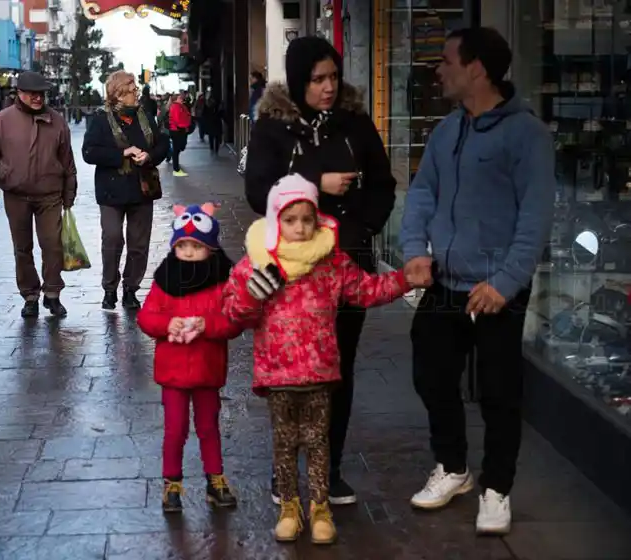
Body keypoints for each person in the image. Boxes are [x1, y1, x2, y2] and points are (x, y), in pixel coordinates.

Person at [399, 27, 555, 535]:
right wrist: (415, 253)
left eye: (446, 61)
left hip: (496, 289)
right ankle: (454, 467)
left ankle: (496, 488)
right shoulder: (447, 131)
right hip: (446, 282)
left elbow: (535, 217)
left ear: (477, 69)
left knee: (498, 391)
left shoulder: (526, 134)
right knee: (430, 374)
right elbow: (422, 195)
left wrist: (506, 282)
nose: (438, 70)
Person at [244, 36, 397, 506]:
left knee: (337, 369)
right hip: (292, 273)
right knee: (292, 373)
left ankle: (329, 470)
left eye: (332, 77)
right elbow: (258, 190)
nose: (328, 87)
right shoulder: (272, 127)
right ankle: (285, 473)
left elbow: (383, 182)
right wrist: (315, 182)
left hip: (344, 264)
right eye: (317, 79)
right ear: (298, 80)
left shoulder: (353, 123)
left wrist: (364, 228)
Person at [223, 175, 416, 544]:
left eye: (306, 220)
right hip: (278, 374)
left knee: (317, 442)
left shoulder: (331, 262)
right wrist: (252, 297)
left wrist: (405, 279)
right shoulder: (257, 264)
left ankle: (320, 508)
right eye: (290, 220)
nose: (299, 228)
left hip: (319, 370)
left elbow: (366, 290)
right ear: (276, 219)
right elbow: (233, 315)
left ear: (317, 220)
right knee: (284, 442)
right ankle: (289, 508)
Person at [136, 203, 243, 513]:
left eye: (196, 246)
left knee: (209, 427)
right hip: (173, 373)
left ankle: (215, 479)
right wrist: (167, 324)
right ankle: (172, 483)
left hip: (207, 370)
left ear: (210, 248)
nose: (188, 252)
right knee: (175, 430)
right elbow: (146, 317)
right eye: (182, 245)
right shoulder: (165, 280)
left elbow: (234, 321)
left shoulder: (223, 283)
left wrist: (207, 325)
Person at [0, 71, 77, 319]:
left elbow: (67, 160)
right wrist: (2, 175)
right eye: (32, 93)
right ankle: (30, 296)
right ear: (19, 93)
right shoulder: (2, 121)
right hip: (16, 194)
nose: (38, 98)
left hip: (49, 194)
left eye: (41, 93)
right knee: (22, 247)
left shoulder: (57, 120)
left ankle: (52, 293)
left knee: (52, 244)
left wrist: (69, 195)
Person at [82, 70, 169, 311]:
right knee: (112, 238)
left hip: (142, 188)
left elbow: (163, 142)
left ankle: (131, 289)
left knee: (139, 243)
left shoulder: (145, 115)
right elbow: (89, 152)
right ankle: (109, 289)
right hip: (111, 191)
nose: (137, 93)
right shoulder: (101, 120)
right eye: (132, 90)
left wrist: (149, 155)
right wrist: (122, 153)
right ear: (119, 95)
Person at [168, 93, 192, 177]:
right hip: (177, 130)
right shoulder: (175, 107)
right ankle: (176, 169)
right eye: (180, 98)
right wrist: (183, 126)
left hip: (181, 130)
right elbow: (177, 119)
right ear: (176, 99)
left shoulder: (181, 106)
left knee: (179, 148)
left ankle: (176, 166)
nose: (182, 99)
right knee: (177, 149)